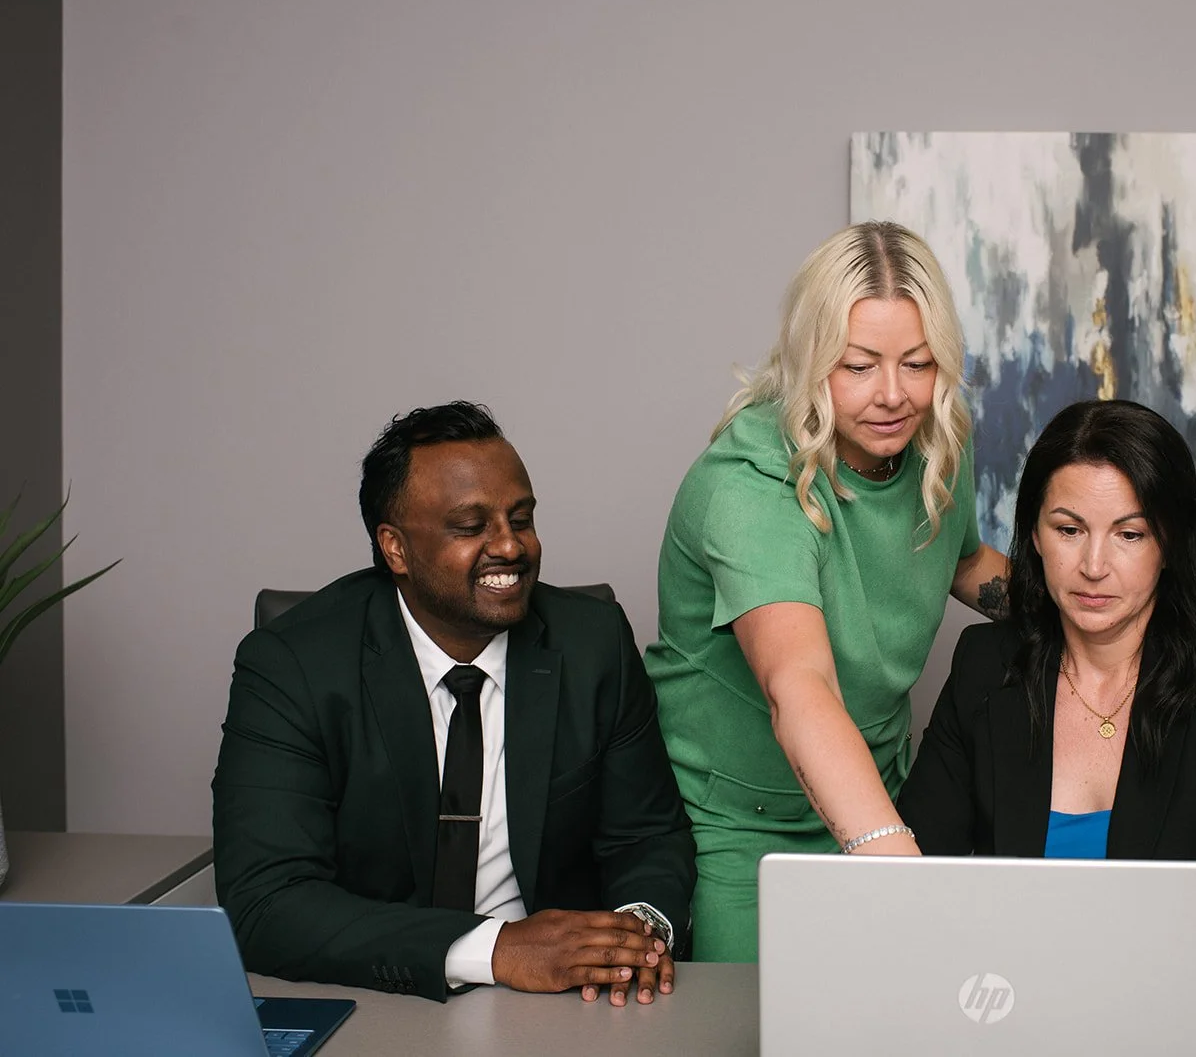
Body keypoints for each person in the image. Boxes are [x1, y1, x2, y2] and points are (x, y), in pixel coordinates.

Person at [212, 402, 695, 1004]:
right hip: (376, 991)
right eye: (471, 528)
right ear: (395, 549)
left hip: (564, 1003)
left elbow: (646, 836)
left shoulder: (593, 643)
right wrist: (495, 948)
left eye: (521, 518)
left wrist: (637, 934)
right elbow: (267, 902)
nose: (511, 547)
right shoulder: (292, 665)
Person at [644, 222, 1010, 961]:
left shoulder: (936, 440)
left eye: (917, 363)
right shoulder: (749, 488)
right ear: (810, 359)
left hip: (880, 792)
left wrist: (1097, 604)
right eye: (859, 366)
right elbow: (798, 687)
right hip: (748, 824)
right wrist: (905, 880)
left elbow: (963, 560)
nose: (894, 395)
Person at [896, 399, 1196, 988]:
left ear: (1171, 544)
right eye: (1069, 529)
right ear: (1033, 536)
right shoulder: (987, 667)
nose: (1094, 565)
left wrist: (1114, 952)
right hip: (1009, 1008)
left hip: (1164, 1017)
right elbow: (908, 887)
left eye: (1129, 534)